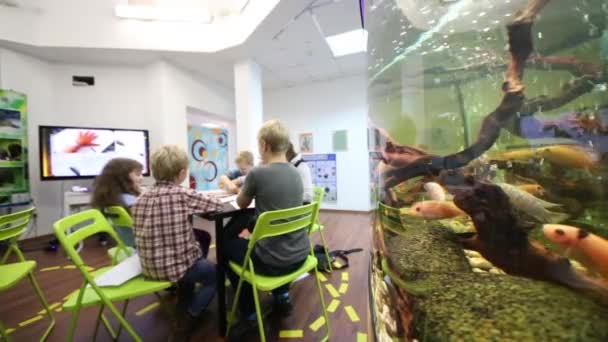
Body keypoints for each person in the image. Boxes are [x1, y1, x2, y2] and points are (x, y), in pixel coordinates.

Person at [224, 120, 308, 336]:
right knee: (275, 239)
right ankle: (282, 296)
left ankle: (250, 314)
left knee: (226, 247)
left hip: (271, 262)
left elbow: (242, 204)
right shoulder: (297, 173)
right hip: (299, 256)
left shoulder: (257, 174)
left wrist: (235, 189)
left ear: (263, 145)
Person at [132, 145, 221, 340]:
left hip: (148, 266)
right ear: (181, 174)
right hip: (178, 267)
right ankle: (190, 316)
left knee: (191, 249)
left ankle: (183, 302)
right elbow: (217, 205)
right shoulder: (182, 194)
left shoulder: (141, 198)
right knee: (215, 275)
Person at [91, 158, 143, 247]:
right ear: (123, 179)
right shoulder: (131, 201)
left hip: (127, 243)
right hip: (141, 245)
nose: (142, 178)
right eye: (138, 174)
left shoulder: (113, 198)